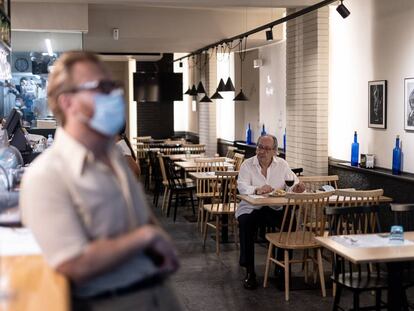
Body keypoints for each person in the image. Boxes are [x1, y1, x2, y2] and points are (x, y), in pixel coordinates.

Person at [20, 51, 182, 311]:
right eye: (99, 87)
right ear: (68, 102)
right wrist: (145, 238)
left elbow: (139, 216)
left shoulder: (113, 158)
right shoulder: (46, 176)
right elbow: (74, 263)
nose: (112, 96)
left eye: (111, 86)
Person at [237, 134, 305, 290]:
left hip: (273, 208)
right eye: (260, 147)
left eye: (267, 149)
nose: (262, 151)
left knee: (289, 221)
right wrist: (257, 189)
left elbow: (292, 184)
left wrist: (298, 188)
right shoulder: (247, 165)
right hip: (251, 208)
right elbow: (242, 187)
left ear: (275, 151)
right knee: (246, 223)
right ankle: (250, 272)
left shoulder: (282, 165)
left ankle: (281, 266)